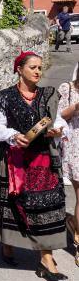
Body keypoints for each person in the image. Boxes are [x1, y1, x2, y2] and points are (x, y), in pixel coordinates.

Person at [0, 51, 68, 281]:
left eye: (40, 68)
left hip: (42, 158)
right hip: (12, 158)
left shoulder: (47, 95)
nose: (38, 71)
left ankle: (46, 258)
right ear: (19, 69)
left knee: (48, 205)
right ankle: (8, 245)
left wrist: (57, 130)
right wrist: (14, 136)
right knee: (12, 204)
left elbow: (56, 120)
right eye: (33, 67)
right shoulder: (4, 96)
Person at [57, 73, 79, 267]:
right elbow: (60, 116)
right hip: (75, 145)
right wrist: (76, 107)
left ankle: (73, 224)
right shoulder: (68, 88)